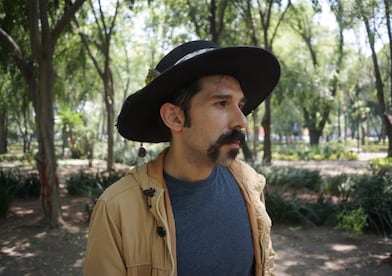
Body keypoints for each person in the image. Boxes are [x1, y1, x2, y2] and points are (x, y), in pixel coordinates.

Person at [83, 40, 281, 276]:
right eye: (221, 103)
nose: (242, 121)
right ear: (175, 118)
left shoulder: (250, 184)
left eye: (240, 105)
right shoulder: (117, 210)